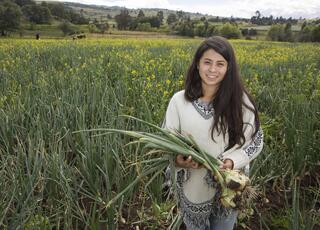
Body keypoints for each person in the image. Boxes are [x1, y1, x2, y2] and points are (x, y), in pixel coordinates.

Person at [163, 36, 264, 230]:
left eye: (220, 64)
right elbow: (167, 140)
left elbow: (256, 140)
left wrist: (232, 161)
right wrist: (178, 159)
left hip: (230, 185)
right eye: (207, 62)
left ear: (228, 68)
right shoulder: (178, 101)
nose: (212, 69)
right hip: (193, 185)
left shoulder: (241, 102)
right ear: (197, 65)